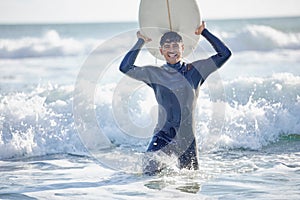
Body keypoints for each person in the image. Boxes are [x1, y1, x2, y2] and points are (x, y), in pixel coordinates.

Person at [119, 21, 231, 175]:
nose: (171, 50)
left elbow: (225, 54)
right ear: (161, 50)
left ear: (182, 48)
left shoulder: (196, 71)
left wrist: (204, 32)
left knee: (190, 185)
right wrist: (141, 41)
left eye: (175, 46)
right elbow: (125, 67)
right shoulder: (154, 74)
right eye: (167, 46)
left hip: (187, 140)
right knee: (148, 174)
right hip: (162, 136)